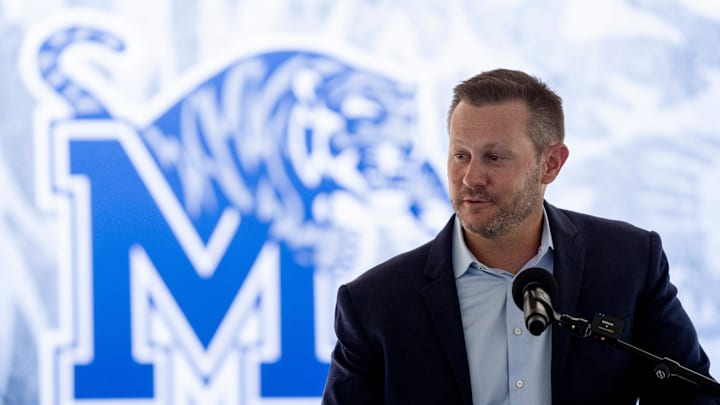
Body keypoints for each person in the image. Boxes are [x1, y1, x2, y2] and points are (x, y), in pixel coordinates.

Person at [321, 68, 719, 404]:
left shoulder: (628, 262)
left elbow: (694, 397)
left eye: (494, 157)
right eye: (461, 155)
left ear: (551, 164)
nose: (471, 177)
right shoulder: (375, 303)